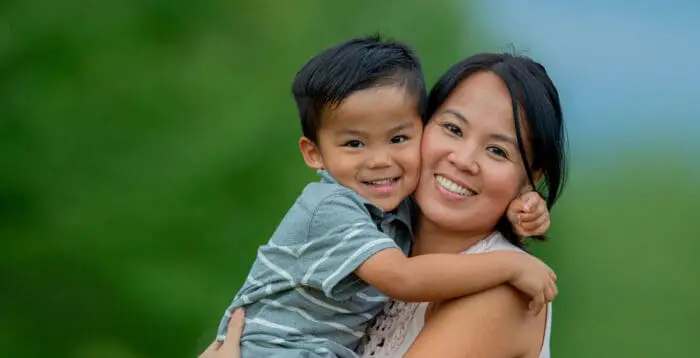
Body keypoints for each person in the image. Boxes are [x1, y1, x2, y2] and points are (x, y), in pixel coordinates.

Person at [212, 36, 557, 358]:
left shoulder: (504, 291)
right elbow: (405, 276)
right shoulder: (373, 219)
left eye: (497, 151)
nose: (463, 161)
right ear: (424, 125)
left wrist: (522, 215)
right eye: (452, 129)